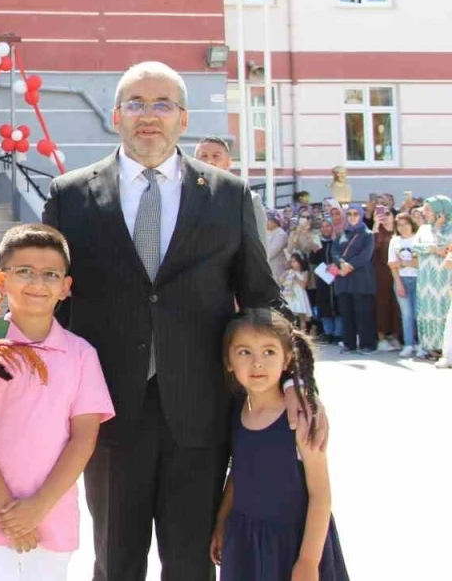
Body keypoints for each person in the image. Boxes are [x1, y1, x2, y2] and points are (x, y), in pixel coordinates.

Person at [42, 61, 300, 581]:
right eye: (136, 103)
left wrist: (295, 383)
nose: (149, 115)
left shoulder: (227, 195)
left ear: (183, 117)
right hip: (107, 414)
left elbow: (261, 298)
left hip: (201, 413)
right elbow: (52, 306)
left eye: (163, 104)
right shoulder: (70, 195)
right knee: (115, 562)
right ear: (116, 115)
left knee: (190, 565)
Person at [0, 224, 113, 580]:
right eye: (24, 271)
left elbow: (84, 437)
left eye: (51, 274)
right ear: (1, 279)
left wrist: (36, 509)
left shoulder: (81, 355)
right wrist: (10, 513)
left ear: (66, 287)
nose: (38, 282)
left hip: (52, 519)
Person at [210, 309, 349, 581]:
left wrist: (308, 561)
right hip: (246, 545)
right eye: (244, 352)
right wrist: (221, 522)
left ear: (287, 358)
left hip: (295, 546)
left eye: (269, 352)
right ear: (228, 361)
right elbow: (239, 473)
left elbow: (320, 495)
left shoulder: (299, 417)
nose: (257, 363)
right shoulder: (237, 411)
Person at [193, 136, 265, 229]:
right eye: (204, 156)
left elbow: (258, 238)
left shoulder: (247, 200)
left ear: (228, 163)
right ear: (194, 162)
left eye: (216, 156)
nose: (209, 161)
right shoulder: (184, 197)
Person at [333, 205, 376, 354]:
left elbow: (365, 255)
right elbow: (334, 251)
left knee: (363, 314)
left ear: (361, 215)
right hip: (344, 280)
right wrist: (341, 263)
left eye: (356, 214)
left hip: (361, 279)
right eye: (349, 214)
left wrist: (349, 265)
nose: (352, 217)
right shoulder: (342, 234)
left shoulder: (367, 234)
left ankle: (367, 345)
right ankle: (349, 344)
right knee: (347, 313)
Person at [414, 196, 452, 360]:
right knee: (427, 311)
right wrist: (433, 249)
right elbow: (415, 246)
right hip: (426, 280)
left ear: (440, 211)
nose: (425, 212)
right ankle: (431, 347)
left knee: (444, 311)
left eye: (428, 209)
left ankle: (446, 348)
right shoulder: (423, 229)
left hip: (445, 279)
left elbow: (446, 244)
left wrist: (438, 227)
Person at [389, 213, 422, 357]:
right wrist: (398, 283)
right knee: (406, 314)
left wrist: (403, 263)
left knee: (418, 314)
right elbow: (392, 264)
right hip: (401, 279)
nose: (403, 228)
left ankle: (421, 344)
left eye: (405, 224)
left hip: (418, 279)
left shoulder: (418, 239)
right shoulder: (395, 241)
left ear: (411, 224)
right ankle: (409, 344)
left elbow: (420, 262)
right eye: (399, 225)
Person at [371, 205, 400, 351]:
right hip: (381, 274)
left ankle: (395, 337)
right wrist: (376, 225)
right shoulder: (378, 232)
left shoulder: (399, 231)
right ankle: (381, 338)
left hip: (399, 274)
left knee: (397, 306)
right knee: (381, 305)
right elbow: (372, 248)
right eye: (383, 214)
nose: (385, 216)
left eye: (388, 213)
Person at [311, 219, 341, 345]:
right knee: (324, 305)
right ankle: (328, 333)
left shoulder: (338, 241)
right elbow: (313, 260)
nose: (325, 228)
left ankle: (338, 334)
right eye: (322, 226)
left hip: (338, 277)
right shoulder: (319, 243)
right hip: (323, 279)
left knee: (338, 305)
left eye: (328, 225)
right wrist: (314, 251)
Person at [283, 253, 312, 330]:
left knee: (302, 317)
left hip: (300, 295)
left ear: (300, 262)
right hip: (291, 295)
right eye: (292, 261)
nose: (293, 263)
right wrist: (284, 276)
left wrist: (295, 277)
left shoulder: (305, 272)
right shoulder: (290, 271)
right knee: (290, 317)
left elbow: (303, 285)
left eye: (295, 261)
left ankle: (303, 332)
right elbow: (284, 283)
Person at [266, 212, 289, 286]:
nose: (265, 222)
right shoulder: (267, 232)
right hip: (267, 268)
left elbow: (271, 252)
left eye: (268, 220)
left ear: (275, 222)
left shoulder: (281, 234)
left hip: (276, 269)